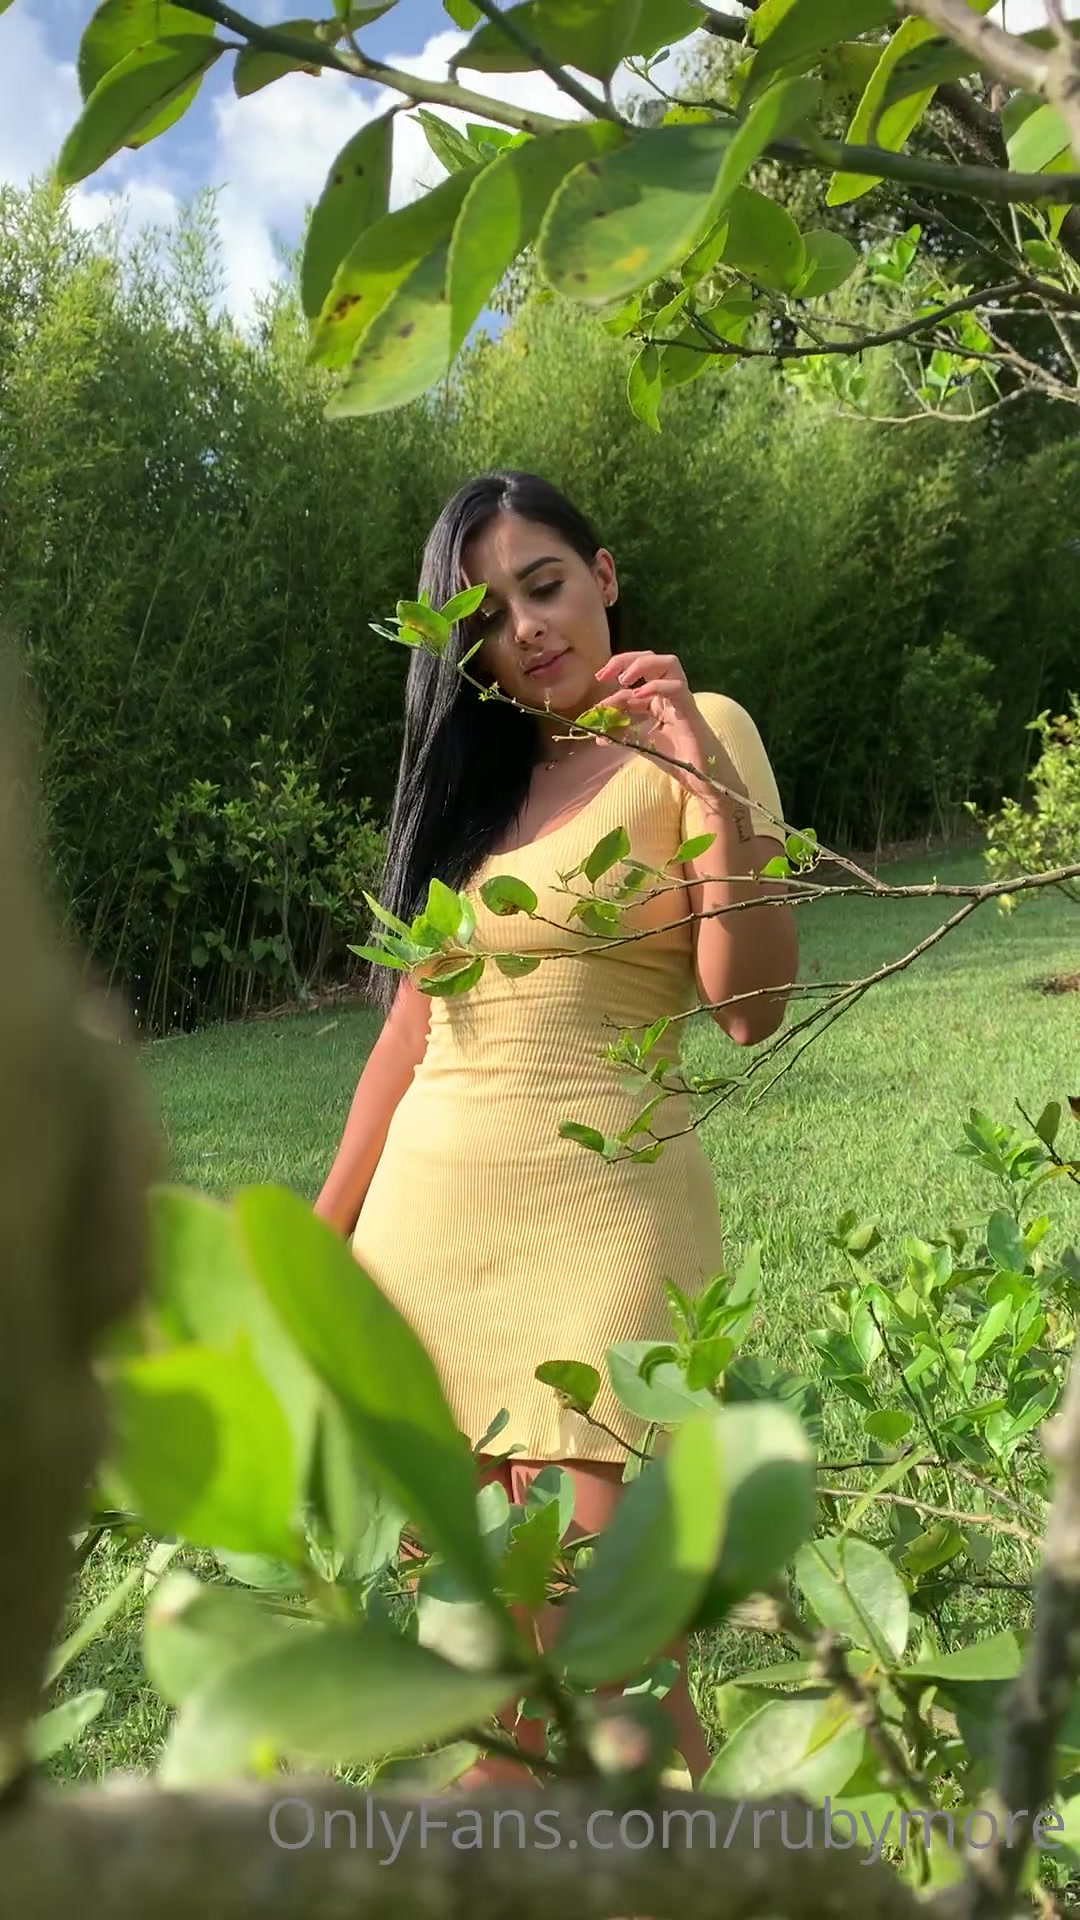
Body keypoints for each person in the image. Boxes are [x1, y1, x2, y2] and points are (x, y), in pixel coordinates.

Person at [314, 470, 798, 1788]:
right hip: (425, 1257)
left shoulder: (702, 732)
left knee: (614, 1670)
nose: (526, 627)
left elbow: (750, 1006)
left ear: (605, 576)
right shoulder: (479, 792)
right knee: (493, 1690)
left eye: (545, 585)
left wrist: (705, 783)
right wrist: (316, 1247)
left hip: (603, 1247)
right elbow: (408, 1038)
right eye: (487, 616)